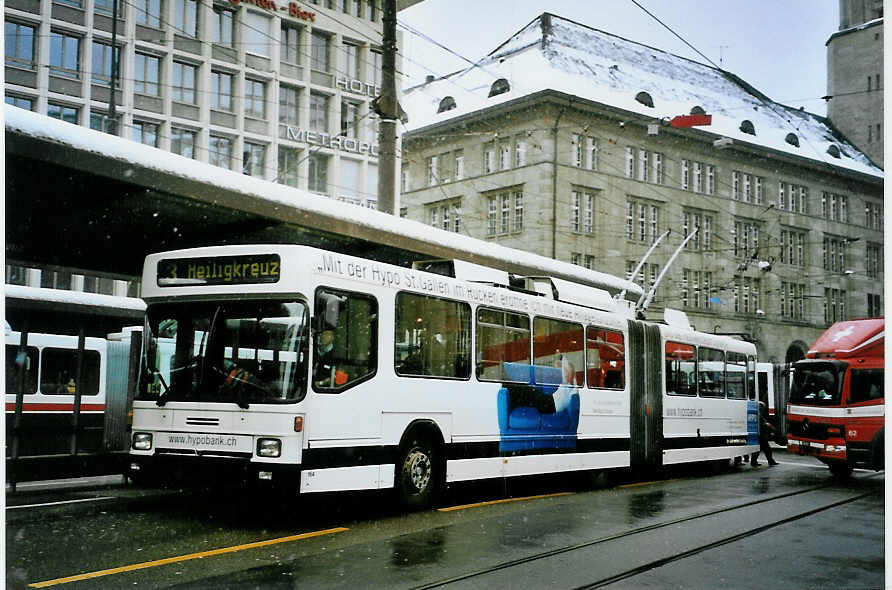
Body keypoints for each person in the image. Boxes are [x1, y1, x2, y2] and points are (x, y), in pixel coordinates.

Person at [751, 401, 778, 466]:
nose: (762, 409)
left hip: (759, 434)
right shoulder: (758, 415)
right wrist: (769, 426)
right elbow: (764, 423)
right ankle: (770, 461)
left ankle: (754, 462)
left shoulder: (756, 414)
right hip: (761, 435)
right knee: (767, 449)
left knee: (758, 449)